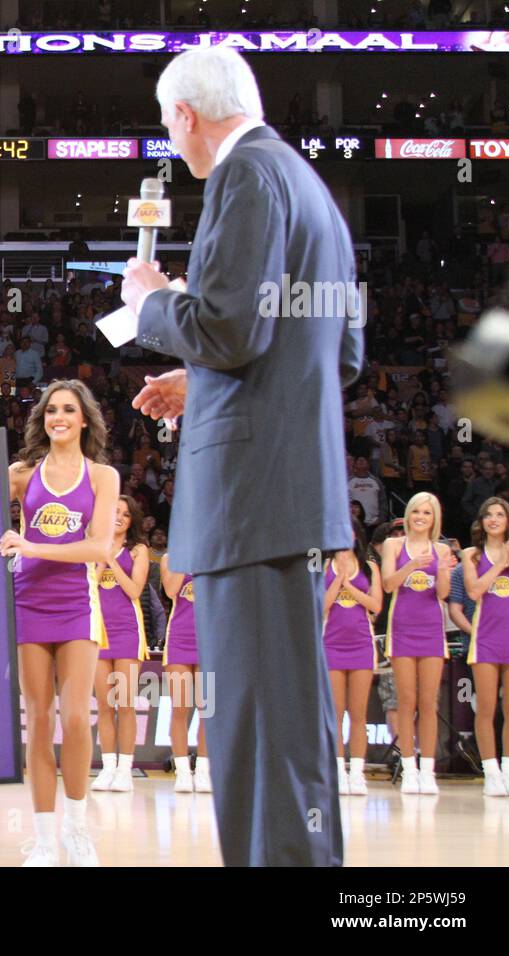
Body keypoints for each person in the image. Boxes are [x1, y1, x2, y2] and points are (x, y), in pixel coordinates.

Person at [123, 44, 359, 866]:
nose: (173, 143)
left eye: (168, 125)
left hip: (250, 502)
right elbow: (338, 353)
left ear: (186, 115)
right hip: (290, 495)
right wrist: (205, 383)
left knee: (259, 736)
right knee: (283, 728)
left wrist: (156, 305)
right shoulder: (312, 192)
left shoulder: (244, 176)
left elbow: (226, 327)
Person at [0, 378, 119, 867]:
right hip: (27, 602)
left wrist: (30, 546)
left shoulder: (102, 477)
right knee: (39, 723)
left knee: (75, 719)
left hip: (76, 603)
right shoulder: (24, 473)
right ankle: (46, 841)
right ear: (43, 419)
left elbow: (98, 548)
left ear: (84, 419)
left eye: (69, 410)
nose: (59, 418)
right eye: (52, 410)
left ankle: (77, 828)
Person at [380, 492, 453, 794]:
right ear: (408, 515)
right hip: (402, 629)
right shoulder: (393, 545)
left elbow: (443, 594)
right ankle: (409, 767)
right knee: (406, 702)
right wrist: (412, 565)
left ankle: (428, 770)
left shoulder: (440, 549)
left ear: (434, 519)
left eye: (427, 512)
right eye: (416, 512)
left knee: (428, 702)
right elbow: (387, 584)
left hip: (432, 630)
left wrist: (445, 569)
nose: (421, 517)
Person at [92, 494, 150, 793]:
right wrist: (102, 557)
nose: (119, 517)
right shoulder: (93, 545)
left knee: (125, 703)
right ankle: (108, 767)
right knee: (104, 705)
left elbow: (134, 590)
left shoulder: (138, 550)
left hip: (127, 630)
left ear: (131, 521)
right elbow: (88, 586)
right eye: (114, 511)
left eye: (125, 514)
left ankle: (126, 769)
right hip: (97, 632)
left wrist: (113, 559)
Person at [321, 522, 382, 796]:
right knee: (335, 714)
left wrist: (349, 585)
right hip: (331, 646)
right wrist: (338, 579)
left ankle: (357, 772)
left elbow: (375, 605)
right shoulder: (323, 566)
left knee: (359, 714)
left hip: (361, 646)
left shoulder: (370, 567)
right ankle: (336, 771)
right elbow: (320, 605)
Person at [461, 497, 509, 796]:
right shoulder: (471, 554)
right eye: (489, 515)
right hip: (485, 640)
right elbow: (474, 590)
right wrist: (501, 565)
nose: (494, 519)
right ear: (481, 521)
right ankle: (491, 771)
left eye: (500, 514)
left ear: (508, 520)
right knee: (486, 708)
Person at [161, 556, 209, 793]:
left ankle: (203, 771)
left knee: (207, 711)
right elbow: (171, 591)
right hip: (179, 640)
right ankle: (182, 771)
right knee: (180, 709)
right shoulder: (172, 559)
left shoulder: (217, 554)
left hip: (210, 641)